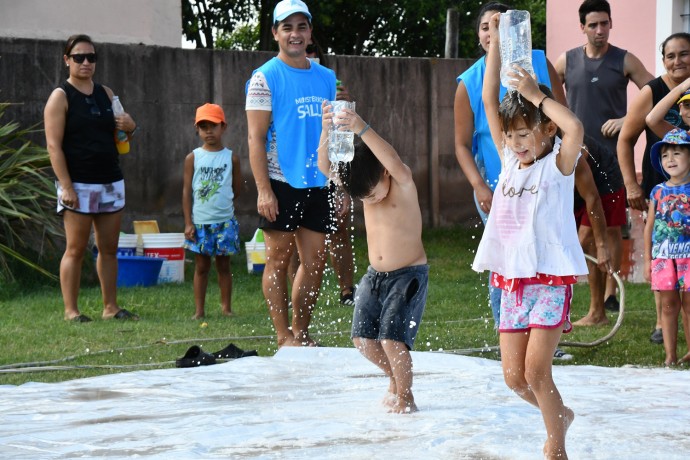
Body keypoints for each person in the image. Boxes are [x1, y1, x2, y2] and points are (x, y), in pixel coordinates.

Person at [473, 14, 587, 459]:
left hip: (548, 280)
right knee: (514, 378)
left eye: (524, 135)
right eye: (512, 136)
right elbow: (487, 97)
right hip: (512, 281)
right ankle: (560, 415)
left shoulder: (557, 168)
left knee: (538, 372)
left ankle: (556, 445)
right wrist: (497, 41)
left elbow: (575, 128)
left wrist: (536, 94)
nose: (517, 143)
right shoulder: (507, 164)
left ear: (546, 130)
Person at [454, 1, 566, 335]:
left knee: (542, 251)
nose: (494, 31)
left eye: (501, 25)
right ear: (479, 36)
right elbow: (468, 134)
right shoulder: (471, 83)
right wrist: (479, 186)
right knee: (508, 256)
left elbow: (563, 119)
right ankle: (509, 328)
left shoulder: (537, 64)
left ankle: (544, 329)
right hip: (502, 182)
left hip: (543, 180)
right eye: (487, 26)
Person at [317, 102, 428, 414]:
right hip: (374, 276)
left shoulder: (402, 183)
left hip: (409, 275)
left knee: (393, 341)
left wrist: (360, 127)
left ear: (384, 172)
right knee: (363, 340)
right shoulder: (361, 182)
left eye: (374, 193)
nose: (371, 200)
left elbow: (391, 158)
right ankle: (395, 376)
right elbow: (326, 167)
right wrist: (327, 131)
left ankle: (406, 395)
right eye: (363, 198)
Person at [554, 0, 653, 325]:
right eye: (593, 24)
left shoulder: (623, 59)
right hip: (576, 162)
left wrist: (627, 119)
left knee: (609, 230)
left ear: (610, 24)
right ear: (582, 27)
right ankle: (591, 304)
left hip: (610, 163)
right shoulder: (566, 60)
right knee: (582, 233)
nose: (600, 30)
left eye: (604, 23)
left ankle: (607, 295)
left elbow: (656, 92)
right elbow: (543, 94)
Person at [245, 0, 337, 347]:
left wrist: (339, 184)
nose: (295, 34)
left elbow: (335, 135)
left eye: (301, 27)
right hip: (280, 181)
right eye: (287, 27)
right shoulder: (264, 77)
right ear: (275, 33)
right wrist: (263, 190)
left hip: (320, 180)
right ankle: (283, 335)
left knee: (314, 263)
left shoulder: (327, 77)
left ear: (310, 32)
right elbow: (255, 138)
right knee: (278, 259)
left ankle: (301, 330)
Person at [44, 34, 138, 322]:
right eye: (79, 57)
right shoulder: (60, 96)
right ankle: (71, 311)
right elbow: (53, 146)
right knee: (75, 248)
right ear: (67, 60)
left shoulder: (106, 93)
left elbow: (122, 133)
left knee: (109, 249)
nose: (86, 62)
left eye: (91, 57)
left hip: (110, 180)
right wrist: (67, 186)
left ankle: (110, 307)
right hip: (78, 183)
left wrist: (131, 126)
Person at [617, 32, 690, 344]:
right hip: (661, 188)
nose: (677, 61)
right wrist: (631, 184)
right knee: (665, 254)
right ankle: (662, 323)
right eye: (670, 56)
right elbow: (628, 137)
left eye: (684, 54)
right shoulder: (654, 90)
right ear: (663, 60)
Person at [287, 36, 356, 307]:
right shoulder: (287, 82)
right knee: (296, 233)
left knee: (339, 228)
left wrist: (345, 103)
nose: (308, 55)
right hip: (297, 169)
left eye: (313, 52)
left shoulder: (331, 83)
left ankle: (347, 290)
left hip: (331, 165)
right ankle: (296, 292)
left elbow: (345, 129)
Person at [182, 103, 242, 320]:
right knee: (201, 267)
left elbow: (238, 189)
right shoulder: (193, 158)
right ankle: (199, 311)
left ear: (223, 127)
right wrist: (188, 222)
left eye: (213, 126)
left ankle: (226, 308)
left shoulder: (231, 158)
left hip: (225, 222)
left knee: (224, 266)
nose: (209, 131)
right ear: (197, 129)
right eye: (203, 126)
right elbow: (187, 192)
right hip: (200, 222)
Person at [643, 128, 690, 366]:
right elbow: (649, 227)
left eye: (677, 153)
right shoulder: (657, 191)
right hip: (664, 258)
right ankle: (670, 356)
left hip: (689, 258)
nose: (670, 159)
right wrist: (647, 261)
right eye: (665, 155)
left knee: (689, 306)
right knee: (669, 306)